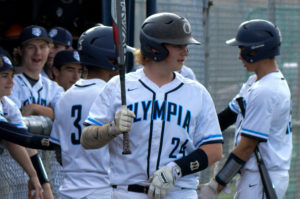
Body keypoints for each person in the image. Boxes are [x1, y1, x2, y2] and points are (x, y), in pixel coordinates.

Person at [81, 12, 223, 199]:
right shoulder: (119, 86)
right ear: (155, 48)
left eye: (186, 45)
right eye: (179, 45)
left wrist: (176, 170)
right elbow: (86, 139)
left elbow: (214, 149)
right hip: (127, 193)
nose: (185, 52)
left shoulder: (197, 92)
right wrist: (111, 129)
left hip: (179, 192)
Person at [197, 19, 292, 199]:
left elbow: (246, 147)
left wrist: (215, 185)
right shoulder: (255, 83)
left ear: (256, 50)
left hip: (263, 176)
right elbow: (226, 117)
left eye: (242, 49)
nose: (240, 56)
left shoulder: (266, 90)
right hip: (256, 175)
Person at [50, 25, 119, 199]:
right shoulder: (112, 94)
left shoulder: (64, 97)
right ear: (109, 59)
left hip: (69, 190)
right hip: (103, 189)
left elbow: (58, 150)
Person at [9, 24, 65, 199]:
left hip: (47, 166)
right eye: (31, 47)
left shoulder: (53, 87)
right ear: (19, 51)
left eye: (42, 47)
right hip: (13, 165)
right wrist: (49, 112)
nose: (37, 53)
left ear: (49, 51)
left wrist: (35, 109)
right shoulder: (10, 83)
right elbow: (15, 120)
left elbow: (64, 116)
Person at [0, 54, 44, 199]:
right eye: (5, 75)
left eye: (12, 75)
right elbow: (13, 138)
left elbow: (22, 138)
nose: (11, 81)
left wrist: (37, 178)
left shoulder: (7, 103)